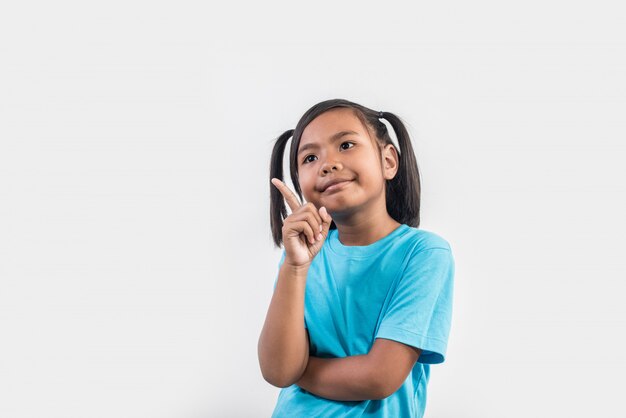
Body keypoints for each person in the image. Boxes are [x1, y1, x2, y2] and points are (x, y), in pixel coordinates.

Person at [258, 98, 455, 418]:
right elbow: (277, 370)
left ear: (389, 161)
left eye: (346, 144)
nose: (327, 163)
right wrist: (295, 268)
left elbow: (379, 376)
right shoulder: (300, 259)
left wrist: (300, 370)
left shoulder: (423, 253)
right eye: (310, 157)